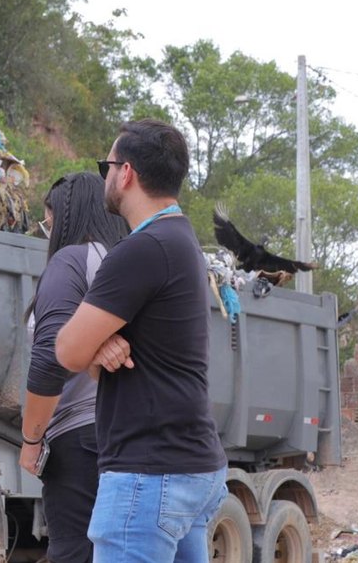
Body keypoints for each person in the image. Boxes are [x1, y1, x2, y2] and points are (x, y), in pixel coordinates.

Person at [55, 119, 228, 563]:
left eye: (106, 167)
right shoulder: (182, 240)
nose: (105, 178)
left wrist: (92, 347)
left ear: (126, 172)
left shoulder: (140, 250)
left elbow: (67, 351)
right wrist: (101, 349)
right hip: (192, 466)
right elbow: (113, 355)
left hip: (147, 477)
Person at [20, 172, 128, 563]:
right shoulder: (124, 263)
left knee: (74, 552)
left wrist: (31, 439)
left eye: (48, 221)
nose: (46, 230)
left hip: (78, 439)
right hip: (125, 431)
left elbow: (49, 358)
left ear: (66, 218)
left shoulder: (72, 261)